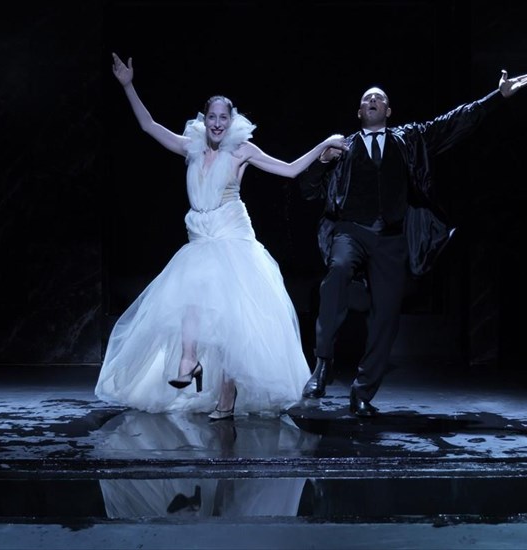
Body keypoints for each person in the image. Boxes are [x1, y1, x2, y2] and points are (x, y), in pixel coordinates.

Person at [94, 54, 348, 421]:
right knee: (190, 297)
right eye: (211, 117)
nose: (216, 123)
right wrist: (128, 85)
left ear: (231, 121)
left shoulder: (242, 150)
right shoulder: (191, 147)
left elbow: (290, 170)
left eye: (223, 118)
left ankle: (227, 395)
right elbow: (149, 125)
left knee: (231, 317)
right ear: (204, 119)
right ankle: (189, 361)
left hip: (232, 237)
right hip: (201, 237)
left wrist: (323, 144)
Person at [297, 69, 527, 417]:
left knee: (387, 314)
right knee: (337, 272)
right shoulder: (342, 147)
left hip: (391, 238)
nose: (373, 100)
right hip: (351, 230)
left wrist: (496, 97)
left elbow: (455, 122)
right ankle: (323, 363)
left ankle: (363, 392)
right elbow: (307, 189)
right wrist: (321, 162)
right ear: (359, 112)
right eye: (367, 99)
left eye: (379, 98)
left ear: (388, 111)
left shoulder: (409, 139)